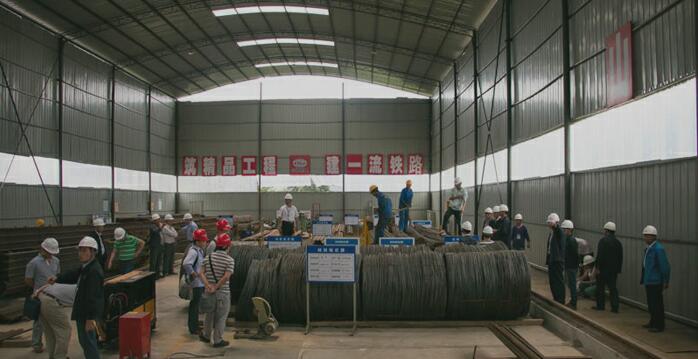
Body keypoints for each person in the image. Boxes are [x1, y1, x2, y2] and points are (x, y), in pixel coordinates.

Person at [50, 236, 104, 359]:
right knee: (85, 342)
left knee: (89, 343)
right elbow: (74, 274)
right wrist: (57, 278)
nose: (80, 254)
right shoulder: (86, 267)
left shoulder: (94, 271)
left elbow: (94, 297)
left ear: (93, 252)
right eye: (80, 250)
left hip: (87, 314)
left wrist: (91, 319)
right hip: (82, 311)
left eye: (84, 250)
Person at [24, 237, 61, 353]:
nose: (51, 255)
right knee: (39, 321)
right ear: (43, 250)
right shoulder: (33, 263)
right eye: (49, 252)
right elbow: (28, 280)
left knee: (54, 320)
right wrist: (38, 289)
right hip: (40, 295)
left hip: (53, 294)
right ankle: (36, 344)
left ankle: (54, 343)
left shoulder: (56, 261)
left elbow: (58, 274)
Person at [200, 233, 234, 348]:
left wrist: (208, 285)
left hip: (208, 292)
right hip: (222, 293)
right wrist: (216, 286)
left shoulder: (208, 257)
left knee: (209, 314)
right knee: (221, 317)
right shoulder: (229, 260)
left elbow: (201, 273)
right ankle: (218, 340)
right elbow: (226, 276)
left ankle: (206, 335)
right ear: (226, 246)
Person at [34, 282, 76, 359]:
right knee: (65, 330)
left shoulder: (78, 286)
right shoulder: (86, 292)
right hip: (50, 301)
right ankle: (60, 356)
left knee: (50, 331)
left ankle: (52, 356)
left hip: (40, 296)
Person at [640, 225, 670, 333]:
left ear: (653, 237)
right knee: (651, 303)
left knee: (656, 304)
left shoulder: (658, 249)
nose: (645, 238)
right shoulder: (650, 248)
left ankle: (659, 325)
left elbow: (664, 266)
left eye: (647, 236)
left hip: (655, 281)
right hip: (649, 280)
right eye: (645, 236)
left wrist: (666, 280)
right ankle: (653, 321)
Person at [593, 222, 623, 313]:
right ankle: (615, 307)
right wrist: (618, 269)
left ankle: (600, 306)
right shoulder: (618, 243)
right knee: (613, 288)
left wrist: (597, 267)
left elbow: (600, 255)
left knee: (600, 288)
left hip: (603, 270)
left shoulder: (603, 241)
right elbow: (620, 257)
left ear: (606, 231)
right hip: (613, 271)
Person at [182, 229, 208, 335]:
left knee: (196, 305)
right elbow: (186, 263)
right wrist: (193, 273)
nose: (205, 242)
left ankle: (195, 324)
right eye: (203, 241)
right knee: (194, 305)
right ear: (197, 241)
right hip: (196, 283)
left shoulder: (199, 250)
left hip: (200, 282)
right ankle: (193, 328)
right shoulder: (193, 251)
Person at [546, 213, 566, 304]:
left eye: (551, 223)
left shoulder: (559, 231)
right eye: (549, 223)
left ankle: (560, 299)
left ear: (556, 223)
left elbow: (561, 246)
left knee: (558, 280)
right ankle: (556, 298)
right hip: (552, 260)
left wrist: (556, 225)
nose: (549, 224)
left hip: (557, 260)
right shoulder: (552, 233)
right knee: (552, 280)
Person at [561, 220, 579, 310]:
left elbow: (573, 255)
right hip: (570, 266)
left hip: (571, 266)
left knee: (572, 285)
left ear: (569, 230)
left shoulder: (571, 241)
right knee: (570, 284)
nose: (563, 231)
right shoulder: (568, 239)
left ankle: (574, 303)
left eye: (564, 230)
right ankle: (572, 301)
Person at [148, 213, 164, 278]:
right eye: (157, 220)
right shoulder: (152, 226)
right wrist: (161, 227)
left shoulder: (158, 226)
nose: (159, 221)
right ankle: (151, 275)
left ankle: (157, 274)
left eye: (159, 219)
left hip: (159, 245)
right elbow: (156, 232)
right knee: (153, 261)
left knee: (158, 261)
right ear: (154, 221)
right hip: (154, 247)